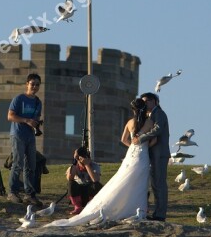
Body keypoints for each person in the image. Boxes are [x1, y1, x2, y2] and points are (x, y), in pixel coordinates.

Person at [46, 98, 154, 228]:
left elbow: (123, 139)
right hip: (142, 154)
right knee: (139, 181)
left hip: (131, 154)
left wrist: (132, 146)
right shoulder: (149, 122)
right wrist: (146, 146)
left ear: (133, 110)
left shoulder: (130, 122)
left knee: (123, 179)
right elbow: (154, 140)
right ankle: (137, 209)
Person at [6, 73, 44, 207]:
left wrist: (36, 124)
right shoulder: (19, 99)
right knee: (17, 164)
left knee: (31, 166)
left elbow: (36, 118)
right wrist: (26, 120)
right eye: (32, 84)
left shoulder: (38, 102)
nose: (34, 87)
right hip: (17, 134)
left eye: (37, 85)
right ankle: (12, 192)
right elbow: (10, 116)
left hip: (30, 136)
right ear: (27, 84)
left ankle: (29, 194)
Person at [136, 92, 170, 221]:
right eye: (143, 102)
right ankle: (158, 213)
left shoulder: (159, 113)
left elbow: (158, 129)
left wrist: (141, 138)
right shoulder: (149, 115)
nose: (145, 104)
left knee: (159, 184)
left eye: (147, 101)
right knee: (155, 184)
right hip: (154, 153)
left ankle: (160, 215)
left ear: (155, 101)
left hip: (160, 154)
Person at [65, 146, 102, 215]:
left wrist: (87, 165)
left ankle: (91, 206)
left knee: (97, 185)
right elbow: (69, 178)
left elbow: (95, 179)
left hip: (89, 194)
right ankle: (77, 207)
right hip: (79, 194)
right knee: (71, 184)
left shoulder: (94, 166)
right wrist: (75, 162)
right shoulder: (74, 166)